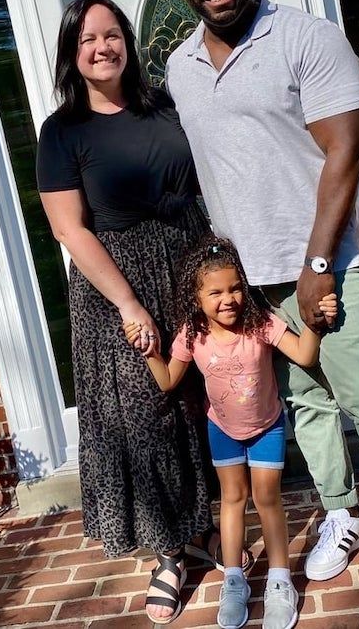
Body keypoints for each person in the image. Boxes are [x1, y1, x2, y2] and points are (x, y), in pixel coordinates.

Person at [164, 0, 359, 622]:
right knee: (307, 407)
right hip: (249, 285)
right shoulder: (178, 66)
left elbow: (347, 150)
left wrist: (319, 262)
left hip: (320, 266)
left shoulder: (306, 37)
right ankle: (343, 511)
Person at [36, 0, 222, 625]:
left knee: (202, 399)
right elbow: (70, 229)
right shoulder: (62, 132)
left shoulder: (164, 104)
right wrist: (129, 305)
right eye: (88, 39)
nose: (102, 47)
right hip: (114, 284)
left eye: (112, 34)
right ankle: (168, 551)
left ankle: (206, 527)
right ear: (71, 52)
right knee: (144, 418)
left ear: (127, 41)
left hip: (188, 265)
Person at [126, 236, 337, 629]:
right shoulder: (192, 335)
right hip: (222, 429)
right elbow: (169, 380)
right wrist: (150, 353)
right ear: (197, 297)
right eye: (216, 292)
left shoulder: (261, 324)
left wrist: (314, 321)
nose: (229, 299)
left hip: (266, 427)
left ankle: (279, 581)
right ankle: (234, 580)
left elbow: (305, 355)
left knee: (267, 498)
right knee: (233, 500)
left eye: (236, 287)